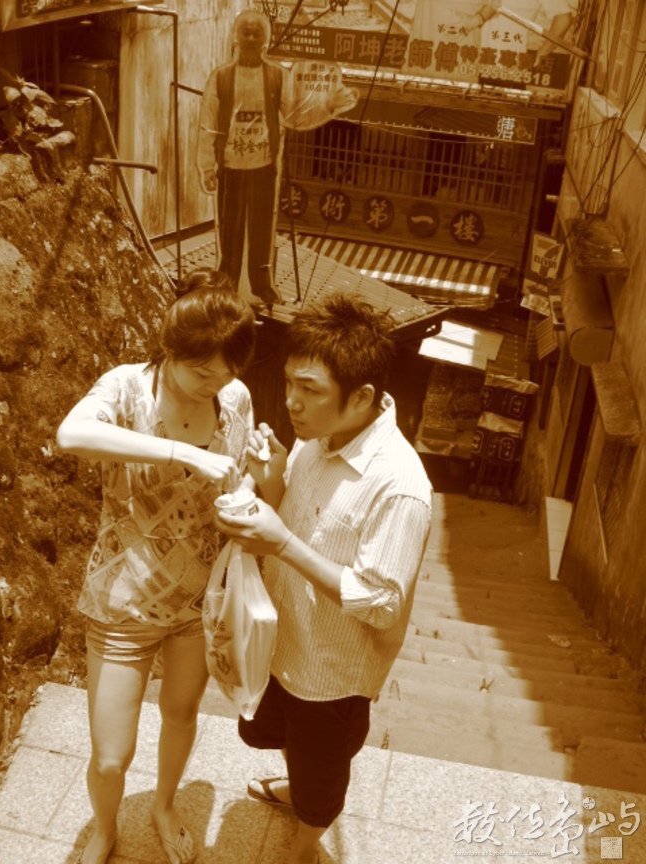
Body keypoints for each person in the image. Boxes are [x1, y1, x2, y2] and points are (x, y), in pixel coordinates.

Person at [214, 292, 433, 864]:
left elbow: (382, 602)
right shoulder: (317, 439)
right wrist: (273, 477)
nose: (292, 401)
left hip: (330, 675)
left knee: (321, 780)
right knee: (278, 736)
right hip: (282, 640)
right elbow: (296, 518)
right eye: (290, 382)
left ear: (361, 396)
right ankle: (298, 787)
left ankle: (305, 843)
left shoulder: (400, 486)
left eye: (310, 389)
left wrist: (280, 542)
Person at [56, 269, 256, 864]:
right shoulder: (126, 389)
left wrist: (256, 476)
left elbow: (240, 481)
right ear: (170, 349)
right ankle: (105, 828)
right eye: (202, 373)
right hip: (123, 600)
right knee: (110, 756)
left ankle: (165, 804)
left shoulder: (235, 398)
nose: (215, 385)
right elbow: (71, 433)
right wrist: (179, 450)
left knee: (182, 713)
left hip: (198, 600)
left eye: (227, 373)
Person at [196, 10, 357, 309]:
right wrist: (207, 166)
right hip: (230, 166)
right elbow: (209, 123)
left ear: (266, 41)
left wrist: (329, 105)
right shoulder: (220, 78)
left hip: (264, 166)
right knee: (230, 229)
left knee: (261, 228)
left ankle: (261, 286)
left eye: (257, 33)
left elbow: (297, 114)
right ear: (236, 38)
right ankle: (227, 281)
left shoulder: (277, 76)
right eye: (245, 32)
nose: (250, 38)